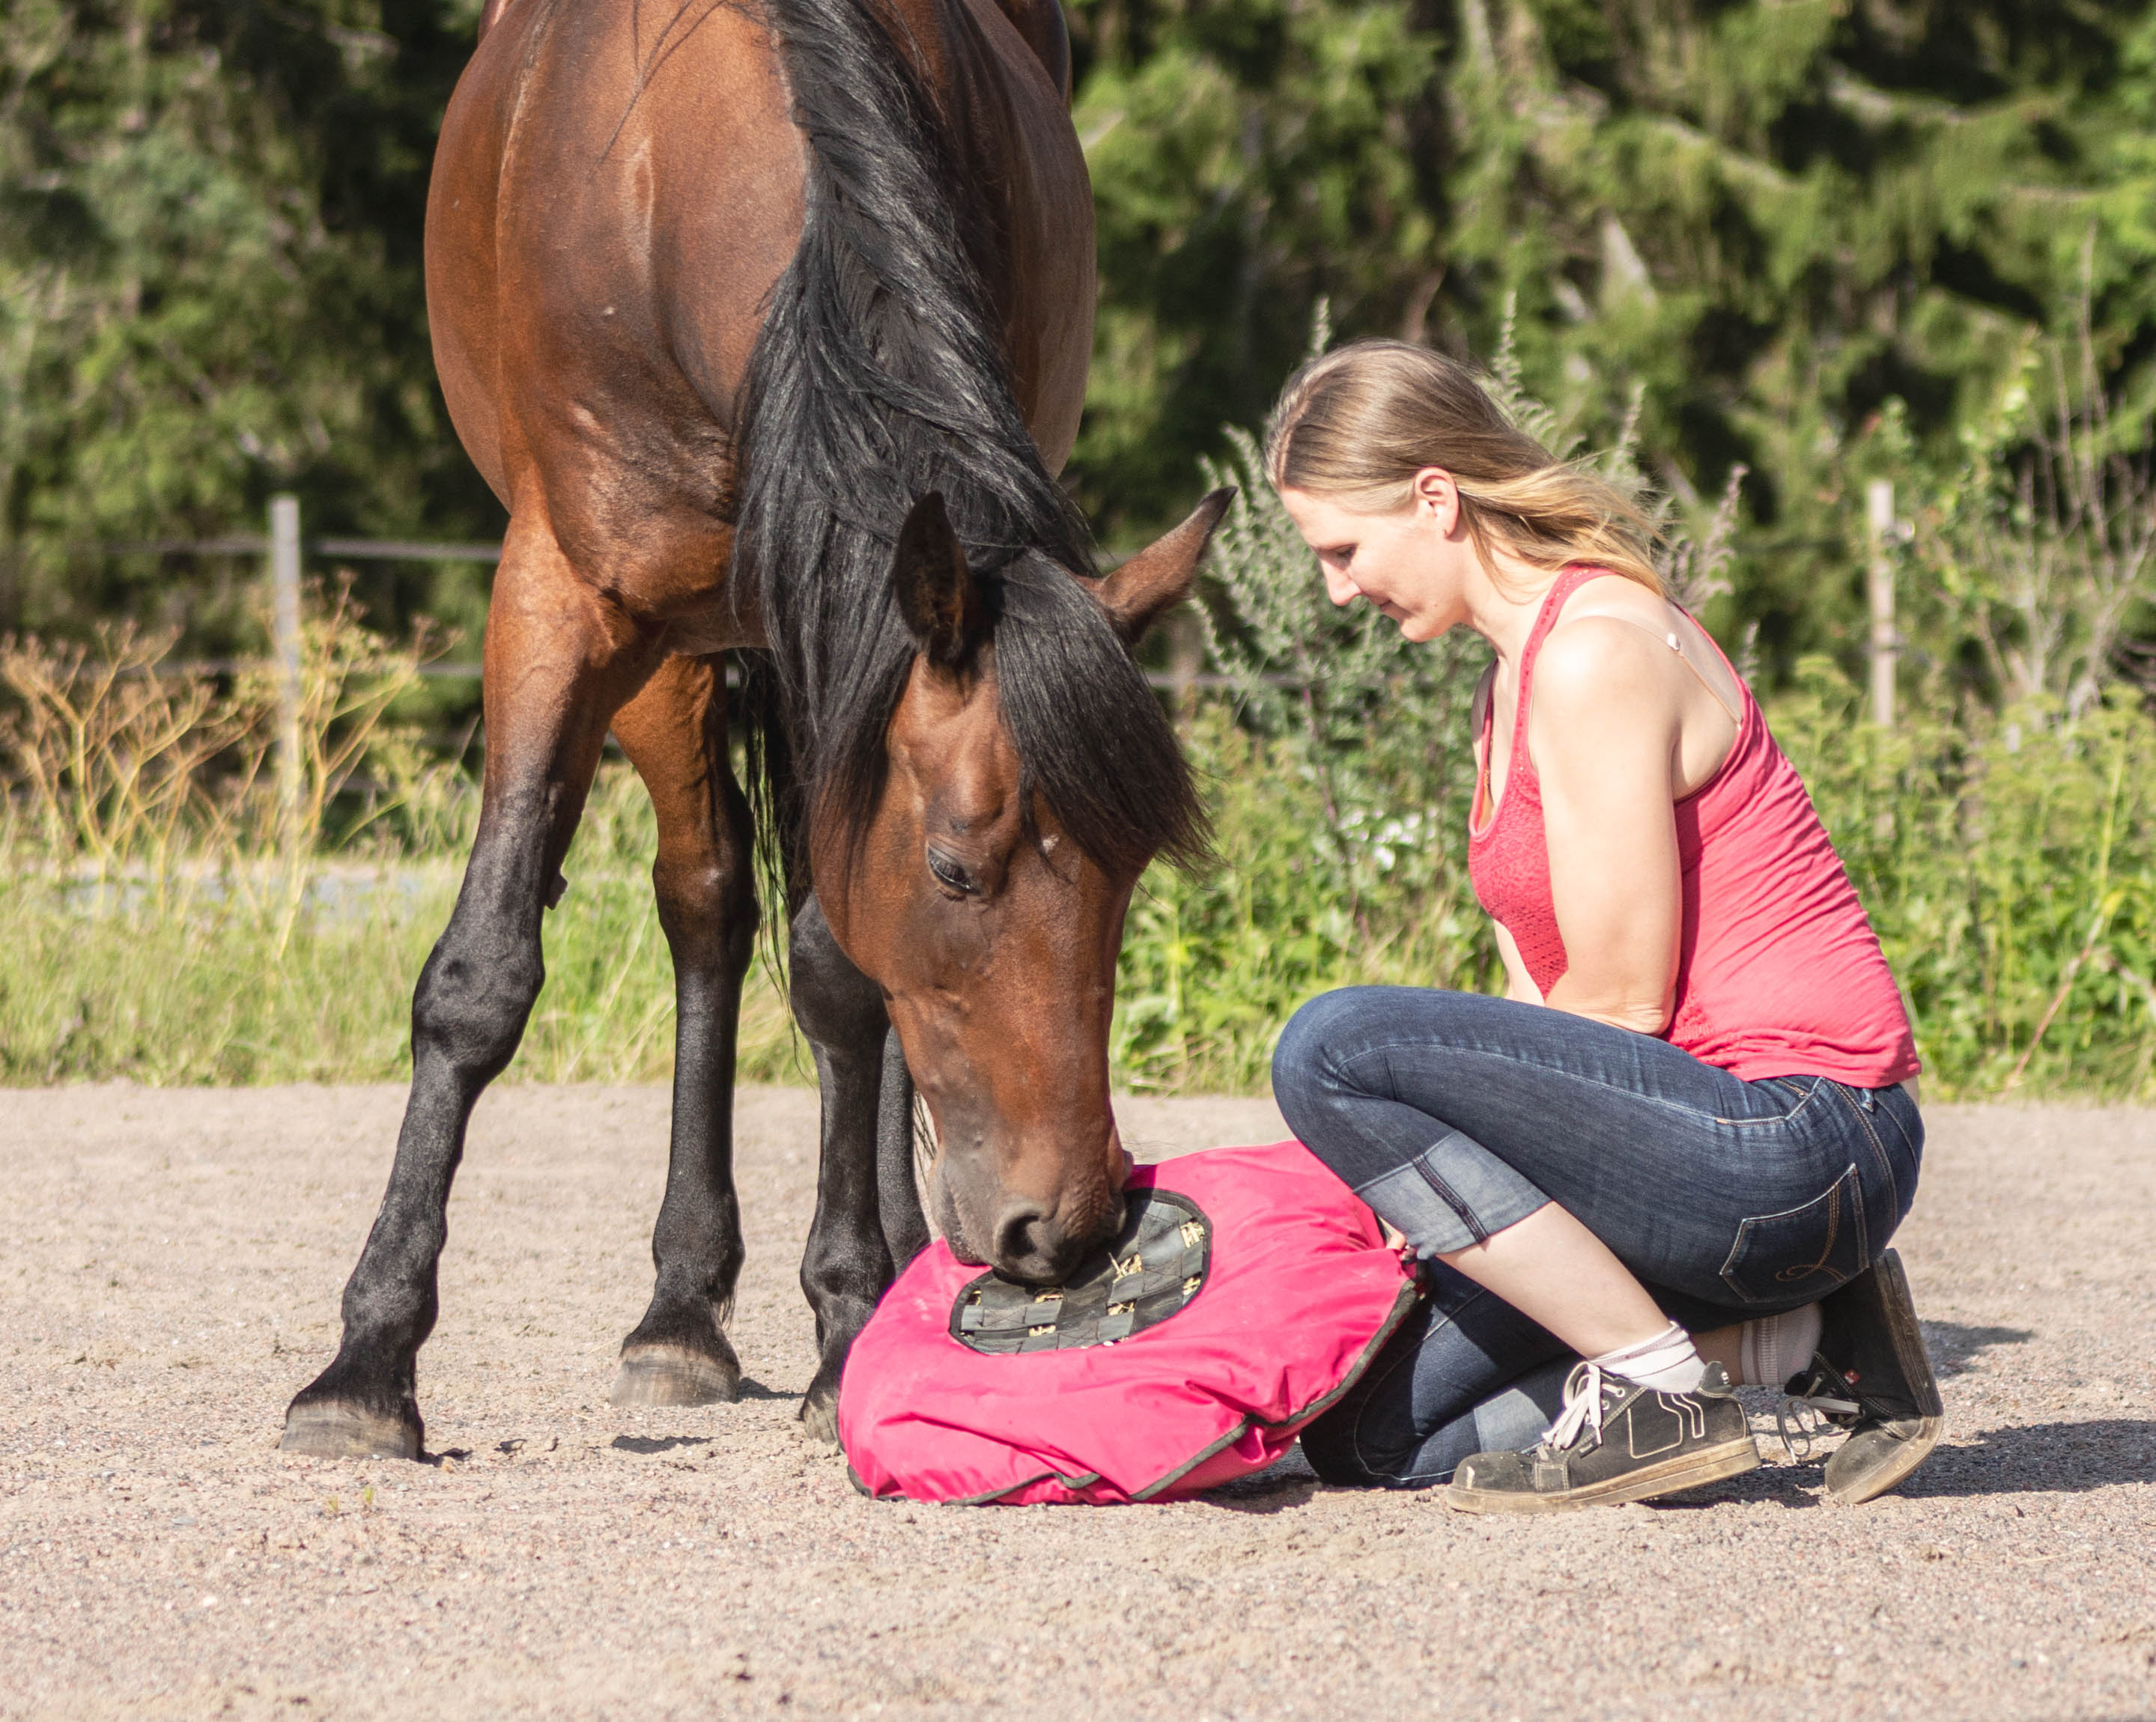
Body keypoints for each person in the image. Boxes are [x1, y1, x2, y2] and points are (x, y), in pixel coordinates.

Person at [1263, 339, 1943, 1512]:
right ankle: (1806, 1343)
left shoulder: (1594, 652)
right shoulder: (1507, 682)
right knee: (1376, 1434)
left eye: (1342, 549)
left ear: (1436, 498)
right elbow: (1539, 1020)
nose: (1336, 589)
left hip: (1802, 1139)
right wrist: (1433, 1203)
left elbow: (1624, 1000)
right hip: (1695, 1155)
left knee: (1329, 1048)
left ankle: (1658, 1387)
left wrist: (1416, 1142)